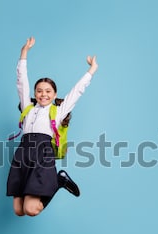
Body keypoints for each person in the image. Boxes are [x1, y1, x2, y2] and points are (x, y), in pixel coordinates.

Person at [6, 37, 98, 217]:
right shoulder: (27, 107)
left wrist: (92, 70)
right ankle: (54, 182)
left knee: (31, 210)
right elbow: (21, 80)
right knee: (18, 211)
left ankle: (59, 180)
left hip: (42, 154)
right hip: (23, 154)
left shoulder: (58, 110)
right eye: (39, 91)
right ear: (34, 93)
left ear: (54, 94)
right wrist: (24, 53)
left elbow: (77, 91)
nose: (43, 94)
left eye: (48, 91)